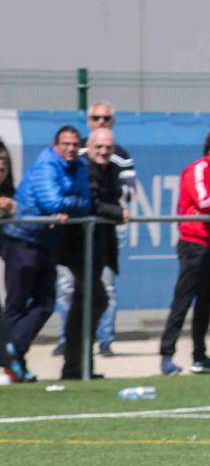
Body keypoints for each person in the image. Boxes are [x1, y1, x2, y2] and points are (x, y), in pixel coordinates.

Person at [5, 126, 88, 381]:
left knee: (46, 303)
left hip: (47, 242)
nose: (71, 149)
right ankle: (11, 360)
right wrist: (72, 204)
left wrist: (70, 206)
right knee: (17, 304)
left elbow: (87, 202)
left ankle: (13, 353)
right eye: (66, 144)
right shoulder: (47, 164)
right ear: (55, 145)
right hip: (23, 238)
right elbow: (52, 202)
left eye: (75, 144)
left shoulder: (80, 167)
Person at [54, 102, 135, 360]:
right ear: (88, 122)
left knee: (101, 292)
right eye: (96, 117)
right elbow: (88, 199)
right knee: (75, 292)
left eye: (106, 118)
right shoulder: (78, 160)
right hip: (76, 241)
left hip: (103, 238)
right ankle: (72, 347)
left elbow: (127, 191)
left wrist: (116, 206)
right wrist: (115, 211)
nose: (101, 121)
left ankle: (100, 343)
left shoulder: (117, 159)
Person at [160, 128, 210, 376]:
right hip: (193, 244)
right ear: (209, 149)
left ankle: (200, 356)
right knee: (183, 300)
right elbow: (205, 202)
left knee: (206, 303)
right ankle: (166, 355)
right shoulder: (199, 170)